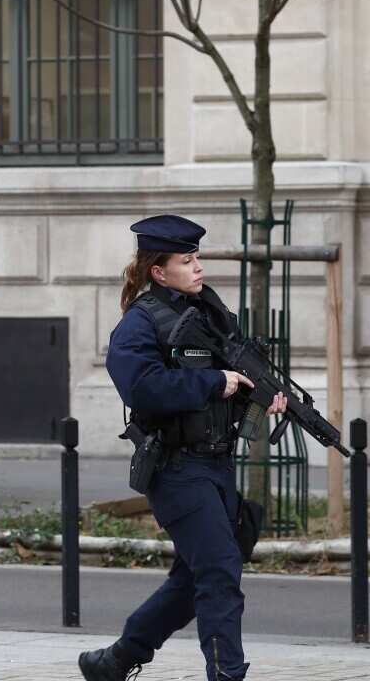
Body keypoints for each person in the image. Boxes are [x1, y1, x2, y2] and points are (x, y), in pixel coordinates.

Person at [79, 214, 286, 681]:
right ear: (158, 270)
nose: (198, 267)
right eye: (186, 260)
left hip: (216, 464)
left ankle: (117, 660)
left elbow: (229, 390)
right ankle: (227, 675)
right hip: (175, 468)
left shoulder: (213, 316)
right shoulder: (139, 324)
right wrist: (215, 381)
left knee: (192, 581)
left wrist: (259, 397)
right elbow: (143, 389)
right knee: (218, 573)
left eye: (198, 258)